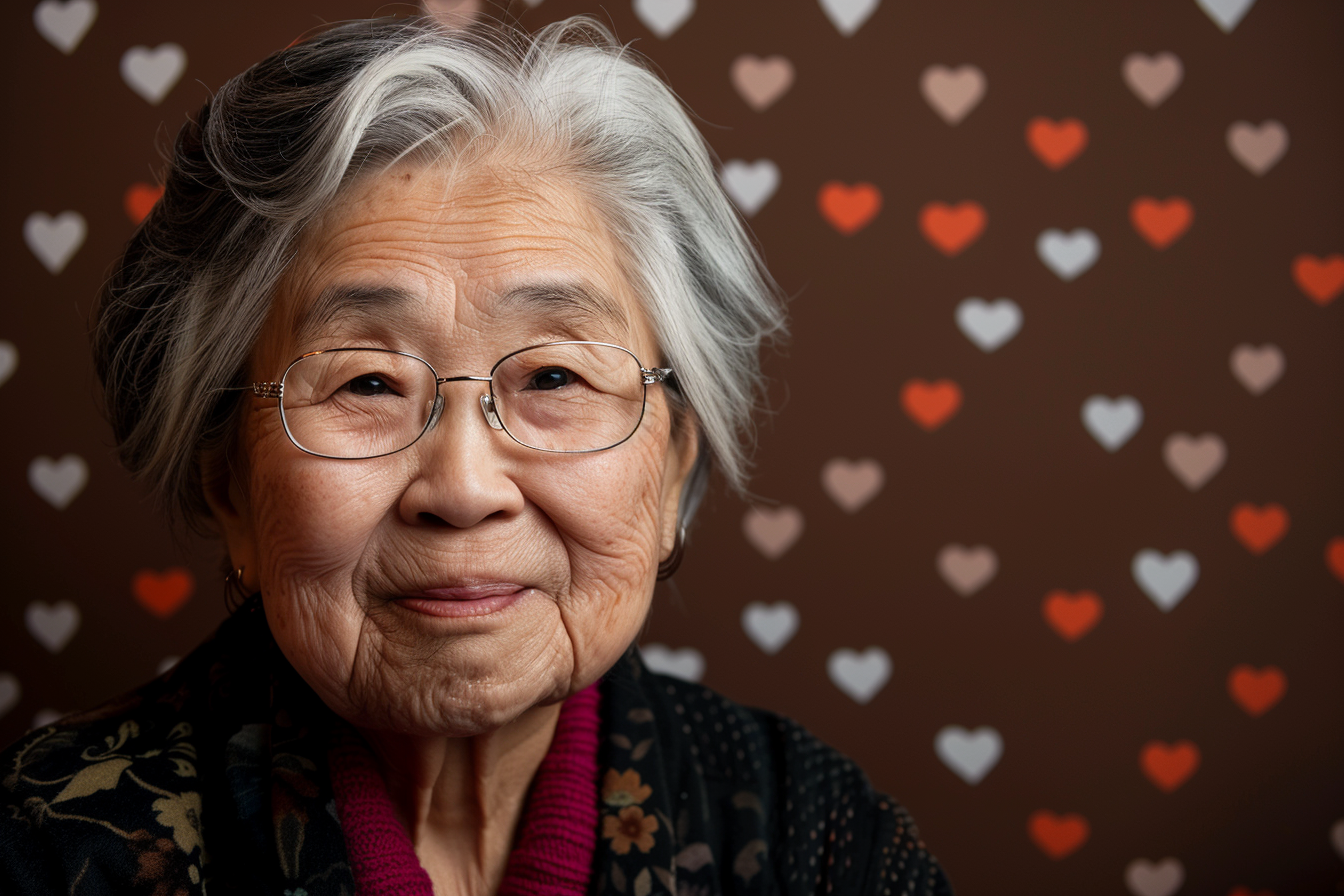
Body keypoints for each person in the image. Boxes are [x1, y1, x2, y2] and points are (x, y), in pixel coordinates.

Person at [0, 16, 951, 895]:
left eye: (553, 378)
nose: (462, 487)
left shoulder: (818, 840)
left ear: (669, 471)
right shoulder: (47, 848)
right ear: (232, 485)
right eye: (366, 383)